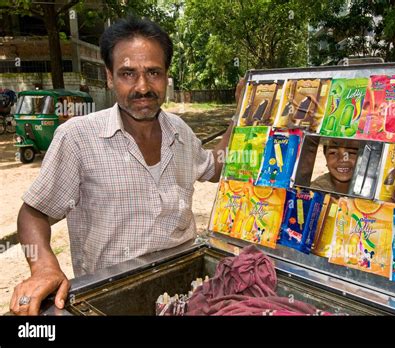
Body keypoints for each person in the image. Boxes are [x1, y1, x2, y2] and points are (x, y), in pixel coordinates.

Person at [10, 17, 234, 316]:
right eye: (128, 73)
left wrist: (241, 114)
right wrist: (42, 267)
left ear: (166, 76)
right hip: (112, 299)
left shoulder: (179, 132)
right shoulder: (78, 137)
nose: (143, 87)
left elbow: (214, 168)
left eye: (153, 72)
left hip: (184, 291)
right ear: (110, 77)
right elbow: (32, 213)